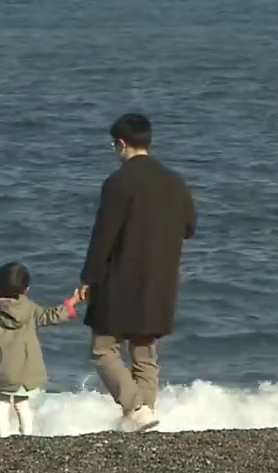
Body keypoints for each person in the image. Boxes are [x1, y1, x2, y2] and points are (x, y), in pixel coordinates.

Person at [78, 113, 196, 432]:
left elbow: (104, 236)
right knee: (144, 351)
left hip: (121, 278)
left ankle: (135, 407)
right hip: (161, 279)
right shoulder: (175, 181)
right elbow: (189, 227)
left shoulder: (118, 182)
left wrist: (88, 278)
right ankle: (145, 416)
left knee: (103, 348)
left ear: (121, 144)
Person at [0, 261, 84, 437]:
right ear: (26, 289)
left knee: (1, 403)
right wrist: (72, 302)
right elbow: (50, 316)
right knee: (22, 403)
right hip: (27, 371)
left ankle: (1, 439)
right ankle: (27, 436)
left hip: (1, 370)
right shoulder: (30, 309)